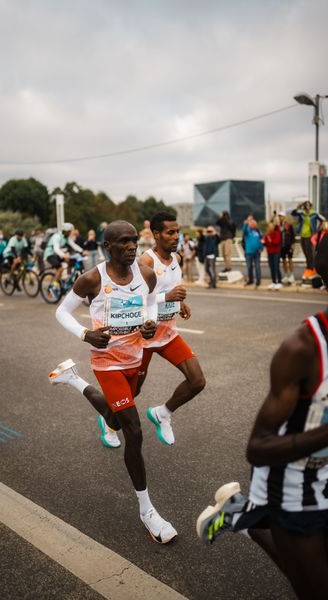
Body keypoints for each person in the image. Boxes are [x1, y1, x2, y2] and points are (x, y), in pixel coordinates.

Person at [196, 234, 328, 600]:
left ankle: (240, 512)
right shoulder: (305, 347)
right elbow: (258, 447)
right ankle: (246, 514)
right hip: (294, 486)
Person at [48, 220, 177, 544]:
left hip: (134, 359)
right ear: (108, 247)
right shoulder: (93, 278)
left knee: (115, 421)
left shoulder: (146, 275)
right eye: (123, 242)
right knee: (134, 430)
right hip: (107, 363)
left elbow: (149, 304)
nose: (132, 246)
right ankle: (147, 510)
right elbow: (62, 312)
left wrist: (149, 324)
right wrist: (84, 333)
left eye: (134, 240)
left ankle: (73, 379)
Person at [133, 212, 205, 446]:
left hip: (168, 334)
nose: (176, 237)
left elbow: (173, 288)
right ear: (156, 234)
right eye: (170, 232)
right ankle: (109, 421)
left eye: (178, 232)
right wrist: (168, 296)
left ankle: (162, 413)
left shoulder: (176, 258)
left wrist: (180, 303)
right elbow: (136, 299)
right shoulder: (146, 261)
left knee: (197, 381)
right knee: (133, 391)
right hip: (144, 336)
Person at [44, 223, 83, 290]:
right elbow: (56, 249)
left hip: (57, 254)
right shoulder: (57, 236)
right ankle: (54, 285)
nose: (71, 233)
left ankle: (67, 277)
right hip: (50, 254)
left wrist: (82, 251)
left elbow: (73, 245)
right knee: (60, 268)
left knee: (72, 261)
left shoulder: (66, 237)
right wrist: (63, 255)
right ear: (65, 231)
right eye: (69, 231)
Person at [291, 201, 324, 278]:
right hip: (302, 235)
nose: (307, 207)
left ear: (311, 206)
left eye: (308, 205)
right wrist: (297, 207)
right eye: (306, 205)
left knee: (310, 253)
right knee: (305, 252)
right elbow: (293, 213)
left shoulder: (314, 214)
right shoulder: (302, 213)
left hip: (310, 235)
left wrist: (318, 230)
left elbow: (323, 219)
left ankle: (311, 268)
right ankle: (308, 267)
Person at [242, 216, 264, 288]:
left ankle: (258, 280)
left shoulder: (258, 231)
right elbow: (244, 230)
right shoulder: (247, 230)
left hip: (257, 252)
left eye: (254, 224)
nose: (253, 225)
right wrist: (245, 223)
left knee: (257, 266)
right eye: (252, 223)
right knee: (249, 267)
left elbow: (262, 240)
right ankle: (250, 280)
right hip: (249, 252)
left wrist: (261, 248)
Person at [263, 222, 282, 290]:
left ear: (273, 227)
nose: (270, 228)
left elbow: (276, 242)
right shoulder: (267, 234)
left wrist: (268, 238)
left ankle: (279, 281)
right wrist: (263, 242)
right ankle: (273, 281)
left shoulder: (276, 233)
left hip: (276, 252)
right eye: (269, 226)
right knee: (271, 267)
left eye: (271, 226)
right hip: (269, 252)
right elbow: (265, 243)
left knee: (276, 266)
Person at [278, 212, 295, 285]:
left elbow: (293, 236)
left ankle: (291, 275)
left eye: (281, 216)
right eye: (279, 216)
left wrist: (293, 245)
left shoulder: (289, 225)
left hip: (289, 245)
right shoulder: (278, 226)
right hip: (282, 246)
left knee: (290, 260)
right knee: (284, 261)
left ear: (284, 217)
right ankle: (286, 275)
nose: (280, 218)